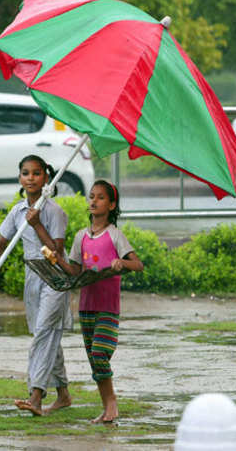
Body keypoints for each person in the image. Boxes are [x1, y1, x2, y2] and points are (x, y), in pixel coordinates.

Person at [0, 155, 73, 416]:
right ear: (20, 178)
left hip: (55, 278)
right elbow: (1, 243)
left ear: (46, 177)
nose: (30, 178)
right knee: (45, 334)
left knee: (44, 333)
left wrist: (37, 224)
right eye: (25, 173)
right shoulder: (18, 211)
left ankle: (36, 395)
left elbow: (56, 251)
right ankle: (63, 394)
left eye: (36, 173)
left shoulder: (55, 212)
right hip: (32, 276)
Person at [53, 179, 143, 424]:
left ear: (112, 205)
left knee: (99, 352)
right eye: (91, 196)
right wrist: (56, 260)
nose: (93, 200)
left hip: (108, 307)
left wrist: (122, 263)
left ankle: (111, 402)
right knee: (95, 361)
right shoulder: (81, 236)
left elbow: (138, 264)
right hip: (86, 307)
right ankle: (107, 409)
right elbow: (74, 271)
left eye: (100, 197)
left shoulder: (115, 235)